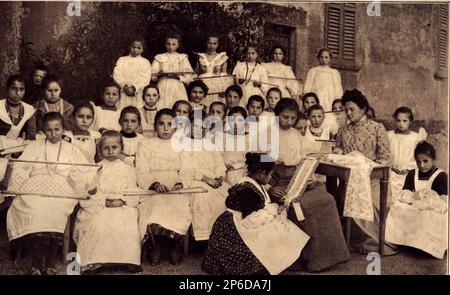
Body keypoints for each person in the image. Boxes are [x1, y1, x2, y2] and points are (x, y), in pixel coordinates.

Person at [6, 112, 95, 275]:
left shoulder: (71, 149)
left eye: (57, 129)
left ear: (63, 129)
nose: (53, 134)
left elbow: (83, 170)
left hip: (62, 189)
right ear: (43, 130)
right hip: (34, 187)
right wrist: (15, 187)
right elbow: (22, 167)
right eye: (49, 130)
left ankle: (50, 261)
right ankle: (37, 262)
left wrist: (86, 184)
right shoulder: (34, 146)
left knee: (55, 209)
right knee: (33, 207)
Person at [268, 98, 350, 272]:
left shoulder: (297, 135)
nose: (289, 122)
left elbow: (306, 160)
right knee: (303, 205)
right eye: (285, 117)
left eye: (292, 118)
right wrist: (270, 186)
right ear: (277, 115)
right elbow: (256, 165)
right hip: (276, 180)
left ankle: (330, 256)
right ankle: (308, 259)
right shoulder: (266, 134)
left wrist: (309, 176)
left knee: (326, 199)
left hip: (297, 179)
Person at [202, 152, 309, 275]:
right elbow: (250, 220)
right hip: (236, 227)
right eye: (270, 174)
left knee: (280, 226)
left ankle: (283, 260)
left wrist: (273, 211)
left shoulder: (255, 182)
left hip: (246, 219)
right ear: (262, 173)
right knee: (276, 229)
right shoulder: (246, 189)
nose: (270, 178)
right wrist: (274, 213)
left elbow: (260, 208)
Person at [334, 89, 396, 255]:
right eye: (346, 109)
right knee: (345, 197)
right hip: (350, 178)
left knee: (374, 203)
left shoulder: (377, 128)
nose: (348, 113)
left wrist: (369, 167)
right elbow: (338, 148)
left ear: (363, 109)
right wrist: (338, 151)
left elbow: (384, 158)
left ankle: (373, 243)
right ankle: (352, 242)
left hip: (374, 179)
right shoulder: (343, 129)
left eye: (351, 109)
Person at [73, 131, 142, 274]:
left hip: (122, 204)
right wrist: (103, 201)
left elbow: (134, 191)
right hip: (99, 205)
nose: (111, 151)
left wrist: (122, 200)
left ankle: (126, 259)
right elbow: (90, 192)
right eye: (106, 148)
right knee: (97, 221)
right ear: (100, 149)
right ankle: (94, 260)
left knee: (127, 220)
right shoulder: (95, 168)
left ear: (121, 148)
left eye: (115, 147)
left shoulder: (129, 170)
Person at [136, 109, 192, 266]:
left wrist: (181, 183)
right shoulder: (146, 144)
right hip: (152, 186)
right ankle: (157, 245)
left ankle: (175, 245)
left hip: (175, 186)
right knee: (156, 205)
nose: (166, 128)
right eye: (161, 124)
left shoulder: (182, 145)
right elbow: (141, 169)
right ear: (155, 126)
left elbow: (188, 169)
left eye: (170, 125)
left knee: (178, 205)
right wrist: (154, 184)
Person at [386, 141, 448, 259]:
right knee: (396, 208)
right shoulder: (412, 174)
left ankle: (426, 247)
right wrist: (412, 196)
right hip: (414, 203)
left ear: (433, 160)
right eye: (418, 161)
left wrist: (429, 198)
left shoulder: (441, 176)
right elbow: (405, 192)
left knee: (428, 215)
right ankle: (400, 241)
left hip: (432, 206)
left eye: (425, 161)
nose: (422, 165)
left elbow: (444, 200)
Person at [185, 110, 229, 241]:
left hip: (214, 180)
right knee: (204, 197)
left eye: (203, 127)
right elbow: (188, 168)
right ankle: (205, 236)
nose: (200, 130)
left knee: (228, 194)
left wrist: (220, 176)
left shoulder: (210, 144)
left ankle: (221, 236)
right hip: (196, 180)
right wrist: (206, 179)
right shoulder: (186, 144)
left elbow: (219, 164)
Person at [387, 107, 427, 202]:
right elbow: (385, 153)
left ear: (410, 122)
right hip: (392, 173)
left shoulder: (415, 137)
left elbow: (418, 156)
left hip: (408, 174)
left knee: (406, 197)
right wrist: (391, 167)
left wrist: (409, 169)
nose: (401, 124)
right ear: (395, 121)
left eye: (405, 121)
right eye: (398, 120)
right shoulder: (389, 136)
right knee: (391, 197)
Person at [151, 32, 194, 109]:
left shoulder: (182, 58)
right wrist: (159, 75)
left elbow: (189, 77)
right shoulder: (159, 57)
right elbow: (152, 75)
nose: (170, 47)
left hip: (177, 86)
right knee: (162, 106)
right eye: (168, 44)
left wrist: (178, 77)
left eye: (173, 44)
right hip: (163, 85)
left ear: (178, 45)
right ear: (165, 44)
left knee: (179, 107)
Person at [113, 36, 152, 108]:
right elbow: (117, 75)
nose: (135, 50)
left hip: (137, 93)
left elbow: (145, 78)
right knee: (121, 109)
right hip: (124, 92)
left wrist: (135, 88)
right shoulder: (122, 60)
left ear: (143, 49)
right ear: (129, 47)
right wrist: (125, 86)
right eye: (133, 47)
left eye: (138, 48)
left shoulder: (145, 62)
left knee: (137, 110)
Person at [195, 33, 231, 106]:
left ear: (218, 44)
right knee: (199, 111)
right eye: (209, 43)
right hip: (202, 87)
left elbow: (224, 75)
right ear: (206, 43)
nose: (212, 46)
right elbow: (196, 74)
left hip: (216, 87)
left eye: (214, 43)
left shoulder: (222, 57)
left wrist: (224, 89)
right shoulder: (201, 57)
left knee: (216, 108)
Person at [0, 74, 36, 140]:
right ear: (7, 89)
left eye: (21, 89)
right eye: (14, 89)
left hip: (19, 146)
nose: (18, 93)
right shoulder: (1, 106)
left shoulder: (29, 109)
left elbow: (31, 137)